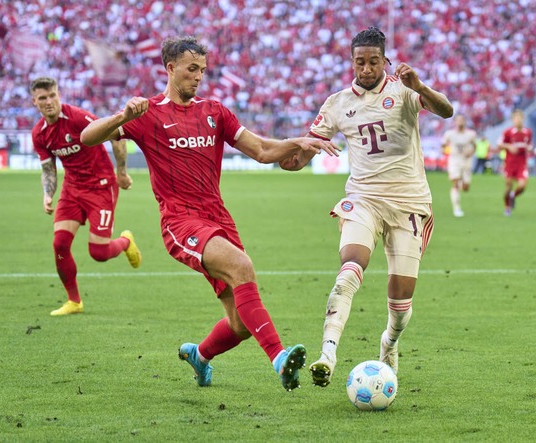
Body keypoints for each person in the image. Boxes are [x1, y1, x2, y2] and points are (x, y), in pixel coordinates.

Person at [80, 36, 339, 391]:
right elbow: (87, 137)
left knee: (241, 324)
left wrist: (299, 142)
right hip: (180, 221)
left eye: (202, 69)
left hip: (218, 218)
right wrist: (123, 116)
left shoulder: (215, 111)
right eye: (191, 69)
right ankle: (280, 360)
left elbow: (263, 150)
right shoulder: (148, 114)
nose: (198, 76)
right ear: (170, 69)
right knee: (242, 267)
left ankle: (199, 357)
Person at [279, 27, 453, 386]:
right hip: (364, 199)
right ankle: (327, 353)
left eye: (374, 61)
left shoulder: (404, 91)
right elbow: (297, 156)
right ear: (352, 62)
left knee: (400, 303)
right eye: (360, 62)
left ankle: (389, 342)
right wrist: (296, 156)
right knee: (350, 268)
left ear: (384, 60)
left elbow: (447, 110)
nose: (367, 68)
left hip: (410, 204)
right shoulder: (338, 103)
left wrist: (419, 86)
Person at [30, 77, 142, 316]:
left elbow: (115, 134)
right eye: (43, 98)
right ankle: (74, 301)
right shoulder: (39, 133)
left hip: (101, 187)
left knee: (98, 253)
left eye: (52, 96)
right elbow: (48, 168)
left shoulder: (79, 118)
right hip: (72, 190)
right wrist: (48, 194)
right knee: (59, 245)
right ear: (34, 102)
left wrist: (121, 172)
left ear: (59, 95)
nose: (49, 102)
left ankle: (125, 241)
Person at [497, 109, 533, 216]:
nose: (518, 120)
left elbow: (530, 145)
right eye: (516, 118)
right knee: (508, 186)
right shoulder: (508, 132)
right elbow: (499, 144)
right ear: (513, 120)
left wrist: (530, 148)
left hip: (522, 163)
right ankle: (507, 207)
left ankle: (513, 196)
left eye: (520, 118)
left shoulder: (528, 132)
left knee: (522, 186)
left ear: (523, 119)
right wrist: (509, 146)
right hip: (510, 163)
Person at [442, 115, 476, 217]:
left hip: (466, 161)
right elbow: (443, 145)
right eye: (458, 120)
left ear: (465, 122)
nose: (460, 122)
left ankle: (462, 183)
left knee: (465, 187)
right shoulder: (449, 134)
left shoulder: (471, 134)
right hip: (454, 160)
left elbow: (474, 146)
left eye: (462, 120)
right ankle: (457, 208)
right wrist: (443, 150)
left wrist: (470, 153)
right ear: (455, 122)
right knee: (455, 184)